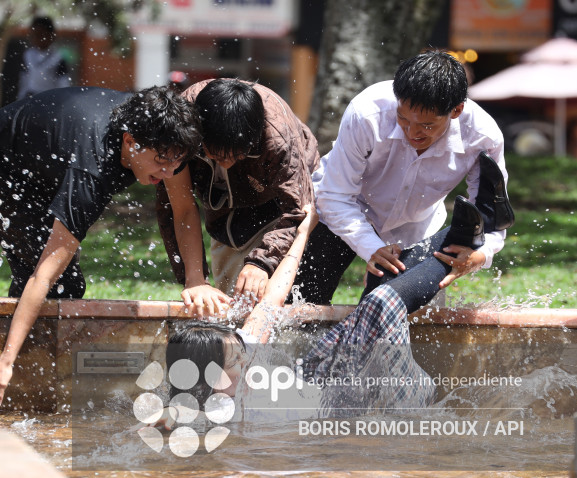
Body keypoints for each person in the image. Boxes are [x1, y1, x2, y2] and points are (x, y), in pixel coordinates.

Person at [156, 182, 507, 426]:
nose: (247, 357)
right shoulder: (207, 421)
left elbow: (273, 298)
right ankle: (416, 411)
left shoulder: (237, 357)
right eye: (235, 360)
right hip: (343, 405)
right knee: (383, 303)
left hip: (321, 376)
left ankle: (458, 238)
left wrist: (303, 234)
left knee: (380, 303)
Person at [0, 85, 202, 410]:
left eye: (177, 164)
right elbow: (43, 277)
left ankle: (40, 389)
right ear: (129, 142)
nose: (169, 173)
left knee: (64, 285)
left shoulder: (165, 140)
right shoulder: (91, 171)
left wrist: (196, 282)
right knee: (57, 281)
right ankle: (10, 375)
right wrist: (7, 358)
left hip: (50, 154)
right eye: (161, 163)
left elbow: (185, 210)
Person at [293, 50, 514, 305]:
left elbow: (492, 213)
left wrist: (482, 255)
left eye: (427, 126)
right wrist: (370, 246)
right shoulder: (367, 112)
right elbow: (335, 196)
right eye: (403, 118)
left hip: (417, 223)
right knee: (301, 299)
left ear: (456, 110)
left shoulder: (483, 137)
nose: (412, 132)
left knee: (407, 315)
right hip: (345, 209)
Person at [155, 78, 319, 317]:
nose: (227, 163)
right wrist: (195, 281)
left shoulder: (279, 139)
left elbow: (297, 213)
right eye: (218, 155)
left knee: (273, 301)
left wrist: (261, 263)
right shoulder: (181, 126)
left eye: (236, 156)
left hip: (276, 198)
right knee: (227, 304)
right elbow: (181, 209)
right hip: (222, 206)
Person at [17, 16, 71, 100]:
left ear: (51, 36)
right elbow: (24, 80)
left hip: (50, 98)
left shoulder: (58, 57)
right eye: (34, 35)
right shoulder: (28, 55)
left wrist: (63, 100)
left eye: (41, 35)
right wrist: (20, 99)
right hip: (31, 97)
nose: (37, 39)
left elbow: (63, 83)